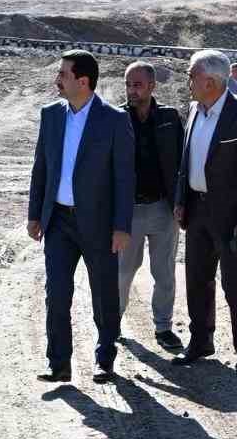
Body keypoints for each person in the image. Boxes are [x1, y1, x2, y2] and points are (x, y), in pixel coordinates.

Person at [27, 49, 134, 384]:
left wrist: (122, 226)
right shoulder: (51, 115)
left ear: (83, 81)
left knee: (103, 294)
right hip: (58, 222)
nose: (57, 80)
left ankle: (105, 359)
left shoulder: (114, 120)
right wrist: (35, 214)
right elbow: (41, 168)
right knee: (57, 293)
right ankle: (59, 363)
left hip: (99, 224)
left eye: (63, 74)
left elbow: (124, 177)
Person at [173, 49, 237, 376]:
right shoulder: (194, 111)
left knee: (235, 284)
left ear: (210, 82)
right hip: (197, 211)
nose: (187, 81)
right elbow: (186, 161)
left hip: (231, 218)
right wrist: (181, 200)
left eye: (191, 75)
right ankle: (201, 341)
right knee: (196, 279)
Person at [118, 60, 186, 351]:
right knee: (122, 272)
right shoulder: (117, 118)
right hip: (128, 212)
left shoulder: (170, 118)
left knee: (164, 272)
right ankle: (112, 324)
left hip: (163, 209)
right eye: (128, 85)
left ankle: (163, 327)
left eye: (137, 84)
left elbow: (184, 161)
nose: (132, 90)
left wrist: (181, 202)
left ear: (152, 86)